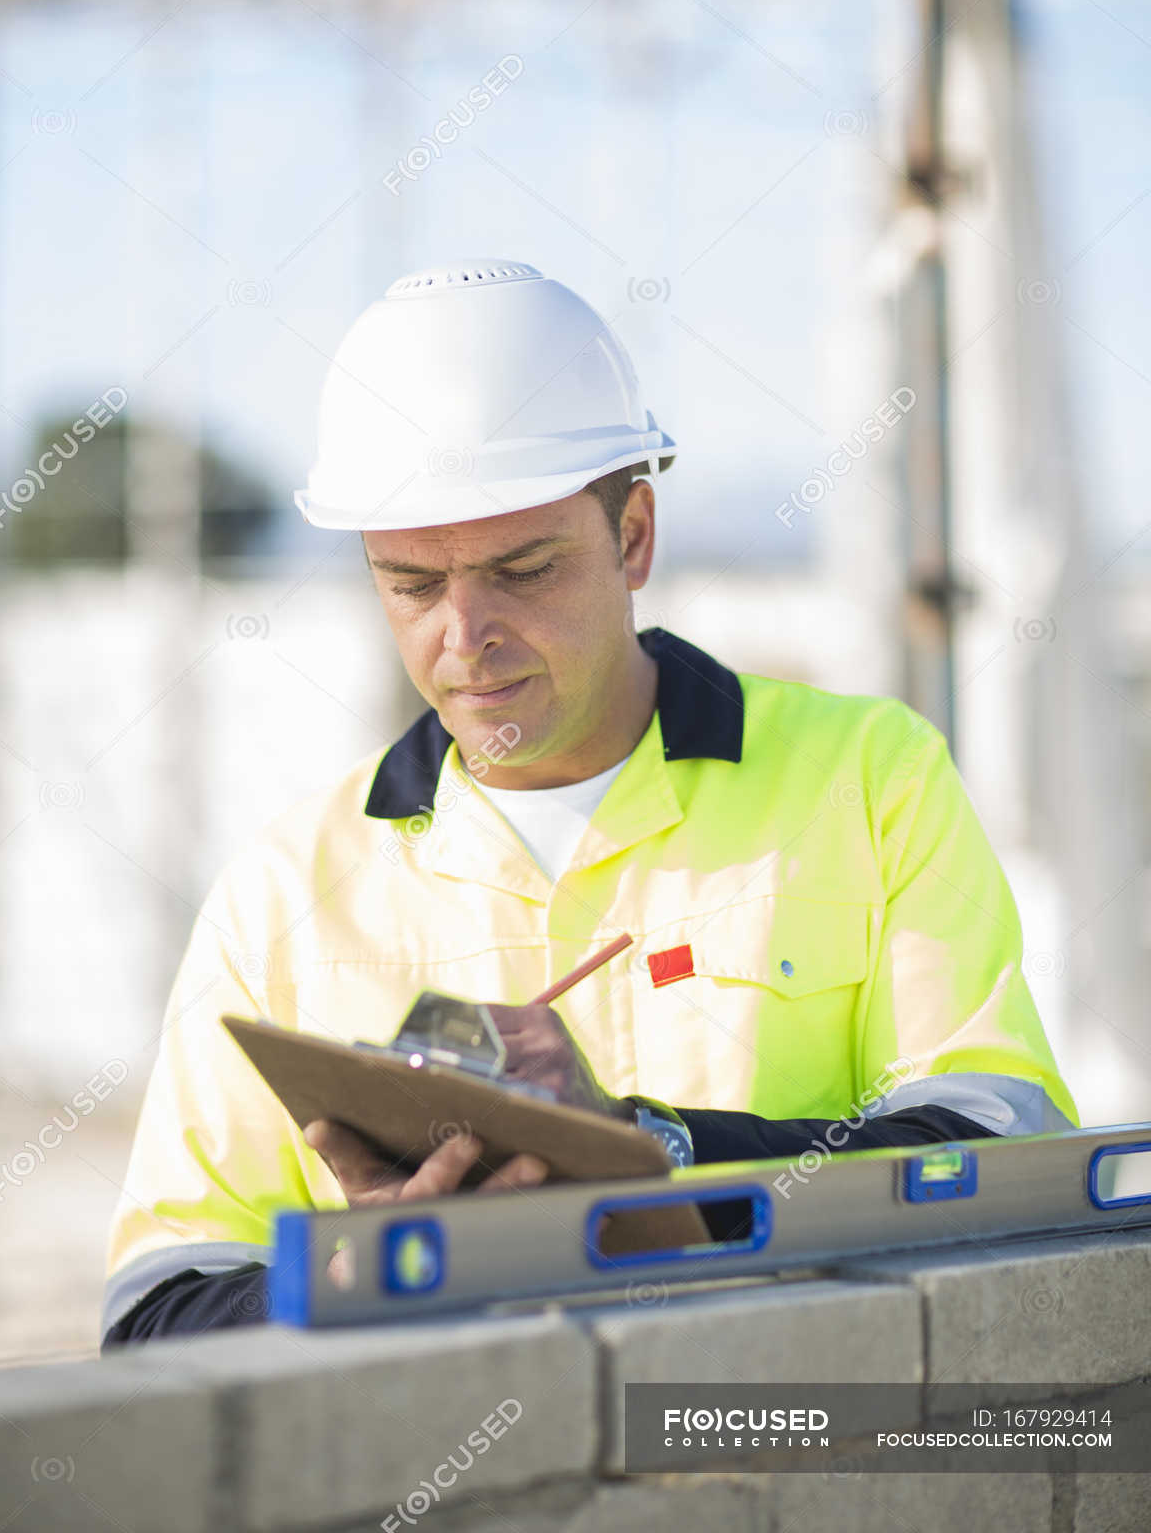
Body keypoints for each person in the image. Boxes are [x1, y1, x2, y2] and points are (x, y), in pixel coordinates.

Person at [101, 258, 1077, 1346]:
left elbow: (993, 1155)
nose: (464, 638)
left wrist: (653, 1156)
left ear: (633, 537)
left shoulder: (869, 779)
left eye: (521, 571)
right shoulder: (283, 892)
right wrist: (361, 1273)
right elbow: (157, 1308)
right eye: (413, 585)